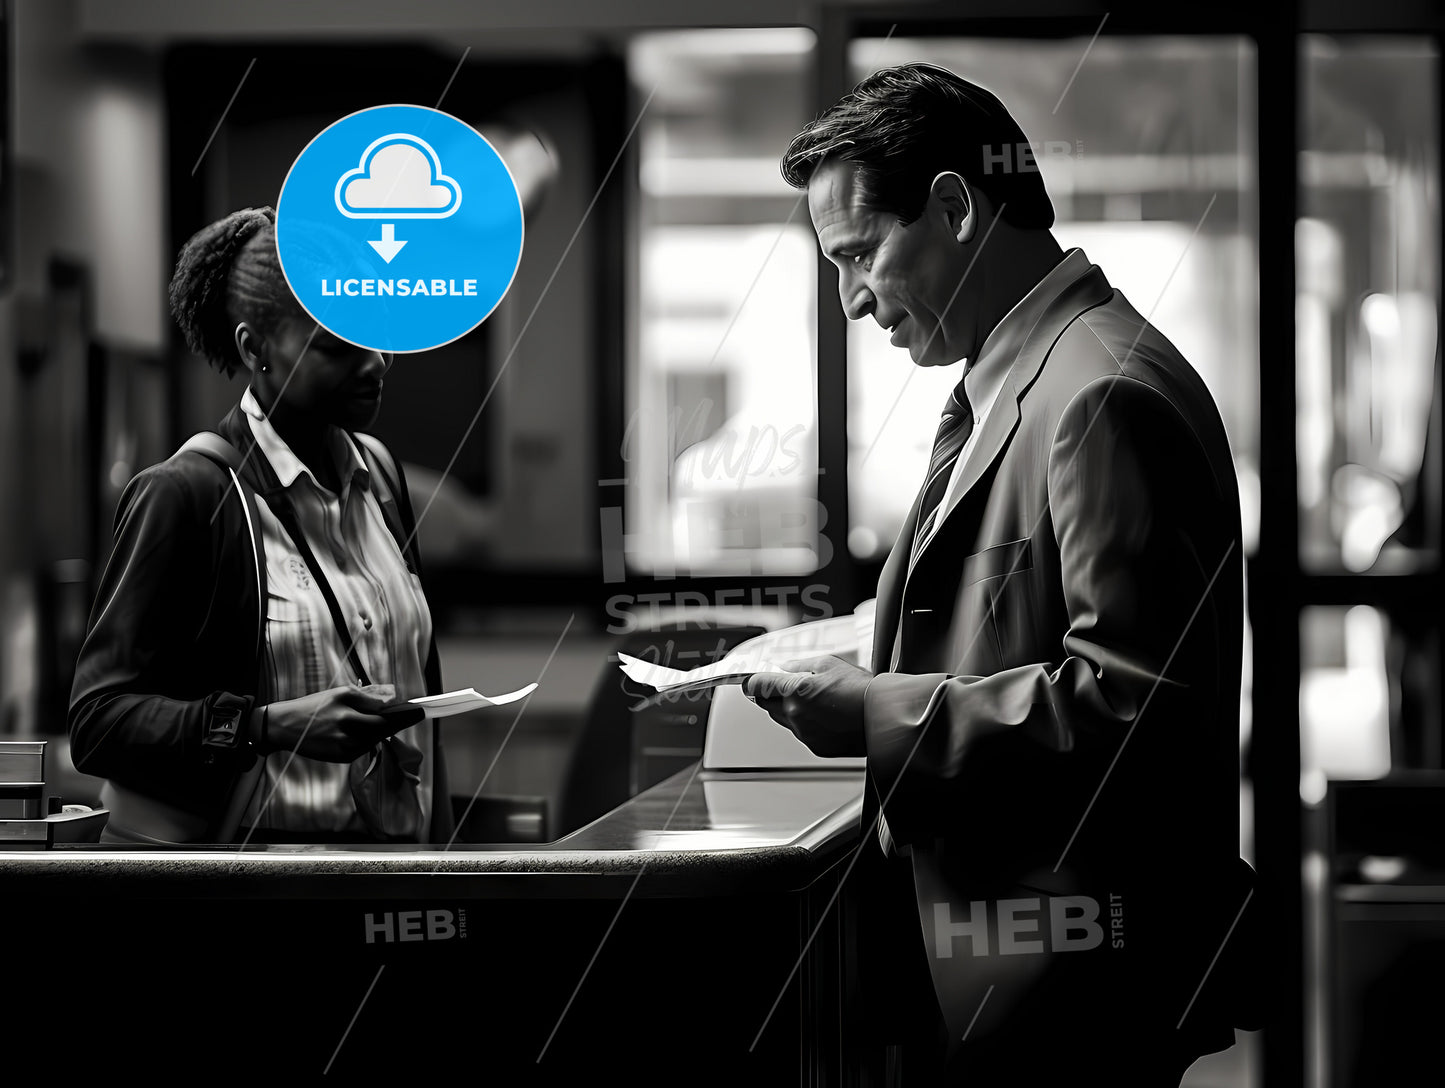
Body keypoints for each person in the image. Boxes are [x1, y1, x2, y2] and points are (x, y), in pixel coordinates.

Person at [746, 64, 1250, 1083]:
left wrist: (879, 711)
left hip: (1067, 979)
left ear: (951, 205)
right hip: (1014, 962)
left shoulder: (1095, 391)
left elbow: (1135, 706)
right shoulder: (1030, 372)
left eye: (856, 256)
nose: (849, 300)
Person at [69, 206, 452, 845]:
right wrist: (266, 726)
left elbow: (418, 702)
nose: (376, 363)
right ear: (255, 349)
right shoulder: (186, 496)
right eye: (335, 345)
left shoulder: (380, 477)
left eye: (376, 331)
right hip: (249, 889)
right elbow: (99, 723)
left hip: (386, 873)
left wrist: (443, 863)